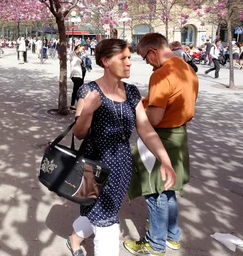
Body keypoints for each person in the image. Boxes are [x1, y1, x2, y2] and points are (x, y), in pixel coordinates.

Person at [65, 38, 176, 256]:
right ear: (105, 61)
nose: (129, 62)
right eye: (123, 58)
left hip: (121, 167)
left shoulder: (132, 92)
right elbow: (78, 134)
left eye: (129, 57)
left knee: (99, 213)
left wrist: (165, 160)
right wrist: (88, 110)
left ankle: (74, 239)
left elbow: (145, 129)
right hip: (93, 168)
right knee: (106, 224)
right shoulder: (89, 90)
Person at [124, 33, 199, 256]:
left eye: (144, 57)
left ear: (153, 51)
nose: (146, 62)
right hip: (178, 135)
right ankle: (172, 236)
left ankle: (155, 244)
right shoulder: (186, 67)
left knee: (154, 191)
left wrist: (137, 111)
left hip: (160, 137)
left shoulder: (161, 74)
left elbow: (154, 119)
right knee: (169, 189)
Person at [68, 44, 86, 110]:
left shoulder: (79, 55)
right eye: (82, 49)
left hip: (80, 74)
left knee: (76, 89)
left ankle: (73, 104)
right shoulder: (72, 54)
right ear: (79, 46)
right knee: (79, 89)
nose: (83, 51)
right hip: (75, 74)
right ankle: (81, 104)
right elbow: (66, 57)